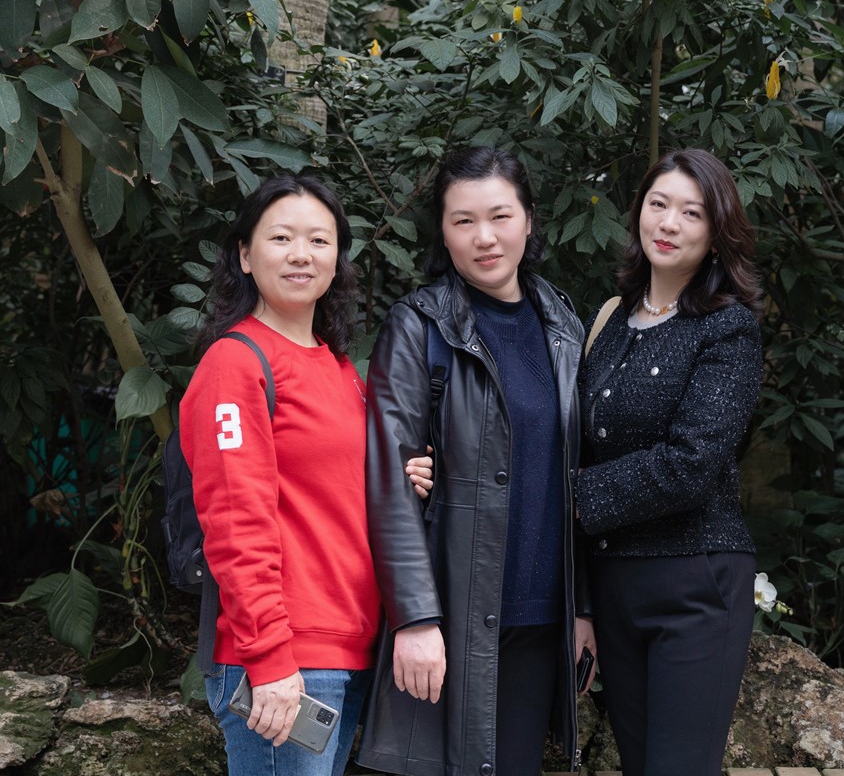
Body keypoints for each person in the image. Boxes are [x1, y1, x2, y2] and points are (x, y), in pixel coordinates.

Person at [357, 146, 595, 776]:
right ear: (443, 231)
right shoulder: (420, 325)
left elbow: (578, 474)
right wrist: (414, 618)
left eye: (500, 216)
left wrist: (582, 607)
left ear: (529, 220)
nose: (484, 238)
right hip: (453, 614)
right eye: (463, 221)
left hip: (541, 617)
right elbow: (389, 481)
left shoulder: (562, 324)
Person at [179, 174, 383, 776]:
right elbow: (235, 522)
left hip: (347, 646)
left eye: (319, 240)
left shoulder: (339, 367)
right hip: (284, 658)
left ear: (337, 259)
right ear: (244, 255)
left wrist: (404, 472)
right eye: (281, 238)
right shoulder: (235, 363)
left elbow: (334, 491)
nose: (302, 254)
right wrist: (268, 655)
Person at [574, 148, 763, 776]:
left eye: (692, 212)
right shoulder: (608, 320)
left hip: (696, 582)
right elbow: (579, 445)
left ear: (716, 231)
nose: (669, 223)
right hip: (614, 584)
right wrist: (583, 604)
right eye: (658, 204)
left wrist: (568, 496)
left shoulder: (727, 328)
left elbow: (691, 464)